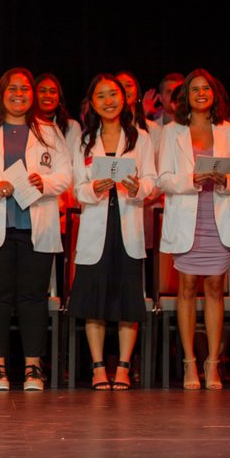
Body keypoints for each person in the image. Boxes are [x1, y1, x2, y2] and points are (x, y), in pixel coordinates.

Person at [0, 67, 72, 391]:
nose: (19, 94)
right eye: (12, 89)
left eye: (25, 89)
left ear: (32, 95)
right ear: (1, 93)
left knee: (33, 297)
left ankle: (33, 368)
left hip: (36, 225)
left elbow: (66, 174)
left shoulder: (49, 132)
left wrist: (45, 182)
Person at [157, 68, 230, 390]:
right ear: (186, 97)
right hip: (187, 216)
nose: (201, 93)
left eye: (206, 88)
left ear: (215, 94)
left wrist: (227, 180)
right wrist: (190, 179)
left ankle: (213, 363)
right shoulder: (172, 132)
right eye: (194, 89)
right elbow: (163, 177)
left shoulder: (228, 131)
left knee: (214, 289)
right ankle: (189, 363)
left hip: (217, 215)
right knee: (188, 288)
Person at [68, 75, 156, 390]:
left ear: (124, 99)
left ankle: (123, 365)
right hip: (95, 225)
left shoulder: (140, 138)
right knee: (94, 300)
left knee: (127, 300)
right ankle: (97, 366)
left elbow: (152, 181)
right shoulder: (83, 141)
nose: (108, 101)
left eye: (113, 94)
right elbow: (77, 187)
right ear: (92, 103)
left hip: (128, 225)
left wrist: (137, 187)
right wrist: (93, 188)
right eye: (101, 96)